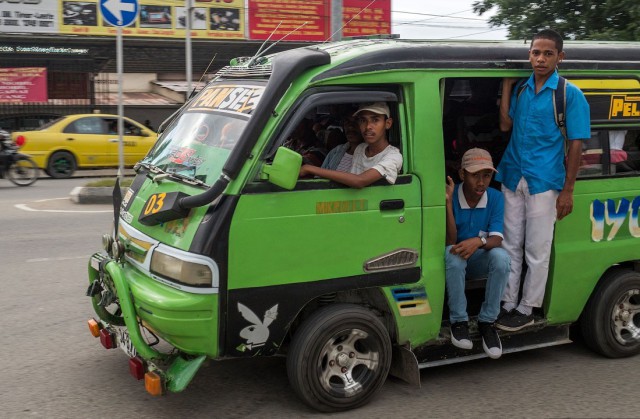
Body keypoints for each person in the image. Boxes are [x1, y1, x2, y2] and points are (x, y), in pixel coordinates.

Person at [495, 29, 591, 332]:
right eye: (536, 52)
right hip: (513, 174)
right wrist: (507, 86)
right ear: (530, 55)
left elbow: (576, 143)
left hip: (545, 181)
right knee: (510, 245)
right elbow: (504, 124)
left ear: (560, 57)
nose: (540, 58)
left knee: (537, 250)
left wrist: (568, 191)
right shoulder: (523, 90)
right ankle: (507, 303)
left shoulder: (568, 94)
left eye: (548, 53)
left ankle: (527, 308)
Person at [445, 148, 510, 359]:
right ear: (462, 174)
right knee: (452, 255)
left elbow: (496, 238)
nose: (481, 182)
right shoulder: (453, 195)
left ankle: (487, 321)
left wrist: (478, 241)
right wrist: (447, 204)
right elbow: (451, 240)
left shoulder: (496, 197)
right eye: (475, 175)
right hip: (457, 258)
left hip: (479, 257)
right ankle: (459, 321)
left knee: (502, 258)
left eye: (487, 175)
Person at [299, 102, 402, 188]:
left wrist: (309, 168)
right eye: (363, 120)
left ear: (388, 123)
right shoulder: (360, 148)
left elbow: (359, 180)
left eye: (375, 120)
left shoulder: (393, 156)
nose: (368, 126)